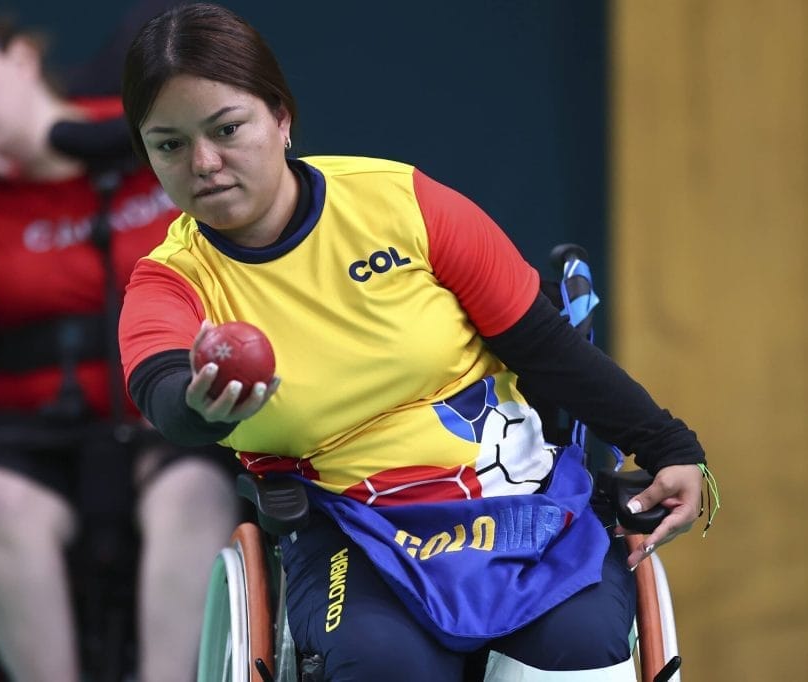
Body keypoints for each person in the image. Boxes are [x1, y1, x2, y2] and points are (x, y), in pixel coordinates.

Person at [117, 4, 712, 680]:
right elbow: (163, 389)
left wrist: (669, 447)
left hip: (514, 496)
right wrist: (201, 408)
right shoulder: (169, 282)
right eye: (169, 145)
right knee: (384, 662)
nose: (204, 162)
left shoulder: (403, 202)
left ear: (281, 118)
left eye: (227, 129)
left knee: (581, 644)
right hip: (347, 525)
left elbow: (546, 347)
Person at [0, 3, 240, 681]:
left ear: (20, 57)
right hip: (32, 435)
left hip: (168, 411)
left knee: (194, 489)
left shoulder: (145, 133)